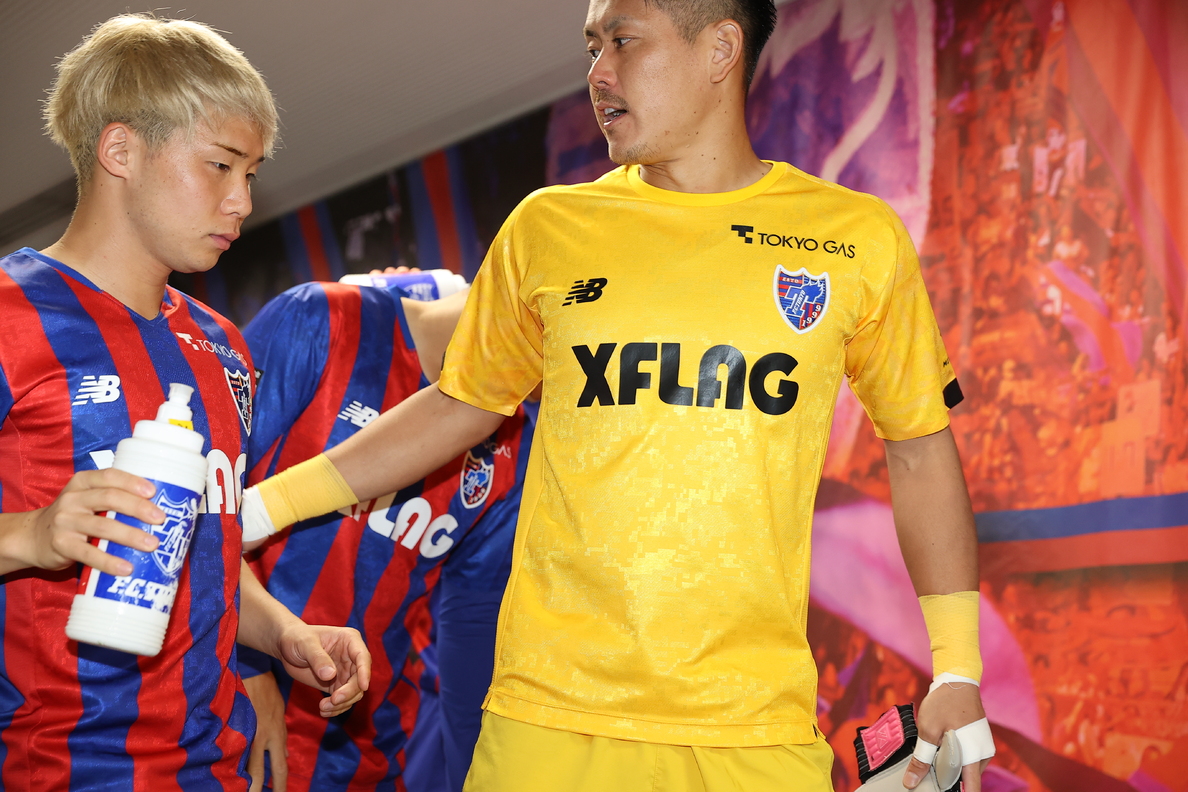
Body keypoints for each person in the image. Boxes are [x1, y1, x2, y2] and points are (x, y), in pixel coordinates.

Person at [241, 0, 993, 790]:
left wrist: (957, 668)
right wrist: (257, 510)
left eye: (624, 42)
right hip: (546, 720)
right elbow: (460, 405)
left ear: (720, 50)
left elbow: (918, 448)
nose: (599, 73)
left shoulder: (855, 238)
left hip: (752, 731)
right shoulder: (548, 226)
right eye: (592, 47)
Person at [0, 15, 369, 788]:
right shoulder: (9, 315)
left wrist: (283, 634)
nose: (241, 201)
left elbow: (202, 547)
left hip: (214, 764)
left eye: (252, 174)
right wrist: (30, 533)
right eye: (220, 165)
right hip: (53, 767)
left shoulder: (222, 345)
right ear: (121, 151)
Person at [239, 275, 532, 791]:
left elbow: (472, 629)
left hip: (365, 753)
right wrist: (246, 669)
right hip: (227, 722)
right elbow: (201, 508)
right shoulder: (322, 321)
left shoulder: (516, 443)